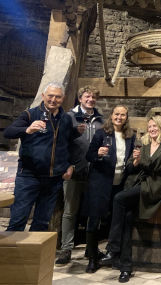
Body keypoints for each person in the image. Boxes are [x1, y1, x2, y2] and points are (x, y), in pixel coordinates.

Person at [100, 115, 161, 283]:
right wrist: (136, 161)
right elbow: (131, 167)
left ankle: (113, 248)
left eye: (155, 126)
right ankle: (125, 268)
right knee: (127, 219)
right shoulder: (144, 143)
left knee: (118, 198)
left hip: (153, 186)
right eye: (150, 126)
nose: (152, 129)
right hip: (138, 183)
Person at [4, 82, 83, 231]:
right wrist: (27, 129)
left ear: (63, 98)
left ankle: (34, 255)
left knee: (41, 223)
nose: (53, 100)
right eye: (50, 96)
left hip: (53, 180)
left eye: (58, 97)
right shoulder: (30, 114)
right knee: (18, 221)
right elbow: (8, 132)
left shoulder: (65, 119)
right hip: (29, 176)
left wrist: (70, 164)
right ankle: (11, 254)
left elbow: (70, 144)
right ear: (43, 96)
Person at [81, 105, 135, 273]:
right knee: (94, 218)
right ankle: (92, 258)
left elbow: (129, 160)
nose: (119, 117)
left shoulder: (130, 136)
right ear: (111, 116)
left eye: (123, 115)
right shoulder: (101, 133)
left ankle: (113, 254)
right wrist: (97, 153)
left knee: (115, 220)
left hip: (119, 184)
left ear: (126, 118)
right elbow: (89, 156)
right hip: (100, 183)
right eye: (116, 114)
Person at [56, 85, 104, 265]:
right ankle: (66, 248)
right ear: (80, 98)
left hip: (95, 172)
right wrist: (67, 165)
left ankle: (90, 248)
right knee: (70, 211)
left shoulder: (100, 120)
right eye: (87, 96)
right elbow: (61, 144)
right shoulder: (69, 117)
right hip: (74, 170)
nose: (90, 99)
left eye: (93, 97)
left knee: (94, 211)